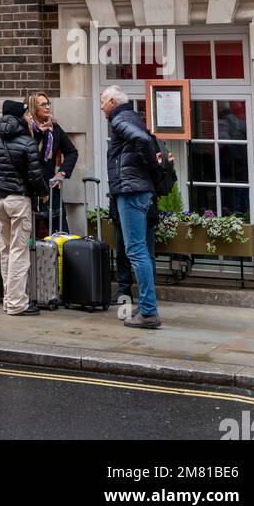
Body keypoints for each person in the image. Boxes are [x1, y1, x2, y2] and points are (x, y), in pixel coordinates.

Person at [101, 83, 162, 330]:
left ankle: (148, 312)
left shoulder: (119, 120)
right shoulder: (132, 116)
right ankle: (147, 305)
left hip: (130, 191)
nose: (102, 107)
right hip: (141, 190)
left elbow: (143, 140)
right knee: (143, 252)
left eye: (103, 102)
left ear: (113, 102)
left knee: (135, 251)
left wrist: (150, 166)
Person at [0, 99, 49, 316]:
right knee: (19, 252)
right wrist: (44, 193)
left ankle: (8, 299)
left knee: (6, 250)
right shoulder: (26, 142)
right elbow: (35, 174)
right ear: (18, 117)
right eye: (25, 113)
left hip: (0, 200)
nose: (28, 116)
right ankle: (16, 303)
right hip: (19, 200)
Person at [27, 91, 78, 236]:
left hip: (51, 187)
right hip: (29, 190)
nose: (48, 107)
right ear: (33, 108)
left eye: (48, 103)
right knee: (29, 238)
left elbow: (72, 152)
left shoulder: (54, 129)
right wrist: (39, 133)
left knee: (61, 234)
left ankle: (62, 259)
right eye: (43, 104)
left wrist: (62, 173)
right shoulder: (26, 129)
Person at [111, 193, 157, 306]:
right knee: (122, 252)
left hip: (142, 203)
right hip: (121, 202)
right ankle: (124, 290)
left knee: (144, 254)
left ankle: (148, 298)